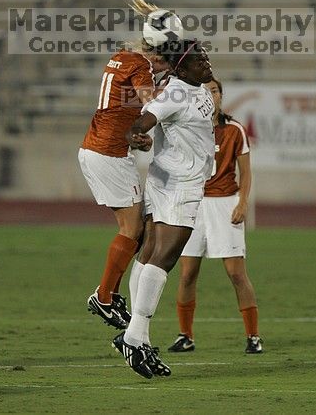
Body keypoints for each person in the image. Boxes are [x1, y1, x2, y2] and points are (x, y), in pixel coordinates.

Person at [113, 39, 216, 379]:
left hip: (167, 177)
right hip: (178, 184)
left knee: (151, 252)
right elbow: (141, 123)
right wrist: (136, 137)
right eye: (199, 60)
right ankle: (135, 336)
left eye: (205, 56)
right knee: (166, 257)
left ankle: (137, 336)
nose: (207, 62)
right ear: (182, 68)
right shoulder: (175, 92)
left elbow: (177, 46)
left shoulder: (194, 84)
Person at [79, 0, 173, 330]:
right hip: (108, 154)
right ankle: (104, 297)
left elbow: (131, 108)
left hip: (103, 150)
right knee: (133, 230)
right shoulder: (141, 66)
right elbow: (152, 106)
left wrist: (139, 135)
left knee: (137, 230)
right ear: (159, 55)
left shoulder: (124, 58)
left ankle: (109, 294)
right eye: (168, 63)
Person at [166, 78, 263, 354]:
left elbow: (246, 172)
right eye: (205, 91)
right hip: (193, 204)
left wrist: (243, 203)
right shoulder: (185, 127)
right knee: (186, 273)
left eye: (215, 91)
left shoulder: (234, 131)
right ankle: (185, 335)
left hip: (224, 204)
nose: (211, 95)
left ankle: (253, 336)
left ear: (221, 96)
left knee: (235, 272)